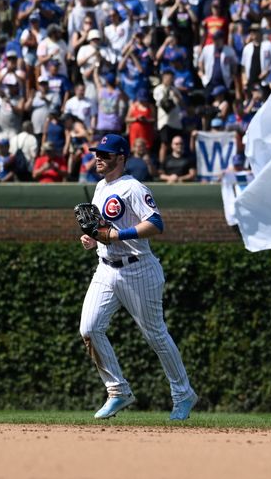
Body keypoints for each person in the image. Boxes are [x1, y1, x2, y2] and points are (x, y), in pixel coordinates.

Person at [78, 133, 197, 421]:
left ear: (121, 157)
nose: (99, 158)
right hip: (106, 268)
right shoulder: (99, 188)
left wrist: (119, 234)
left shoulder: (133, 187)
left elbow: (156, 223)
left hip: (138, 268)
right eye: (98, 153)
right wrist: (94, 239)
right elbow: (104, 228)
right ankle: (118, 391)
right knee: (89, 329)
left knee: (156, 334)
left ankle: (184, 395)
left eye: (106, 154)